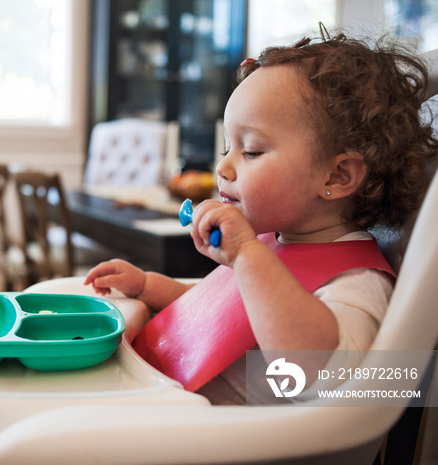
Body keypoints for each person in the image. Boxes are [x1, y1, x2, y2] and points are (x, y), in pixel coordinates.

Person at [83, 29, 437, 401]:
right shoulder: (273, 241)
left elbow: (314, 373)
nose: (223, 168)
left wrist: (248, 258)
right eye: (227, 148)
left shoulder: (355, 281)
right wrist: (147, 287)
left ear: (337, 175)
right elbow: (217, 314)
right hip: (161, 402)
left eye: (250, 151)